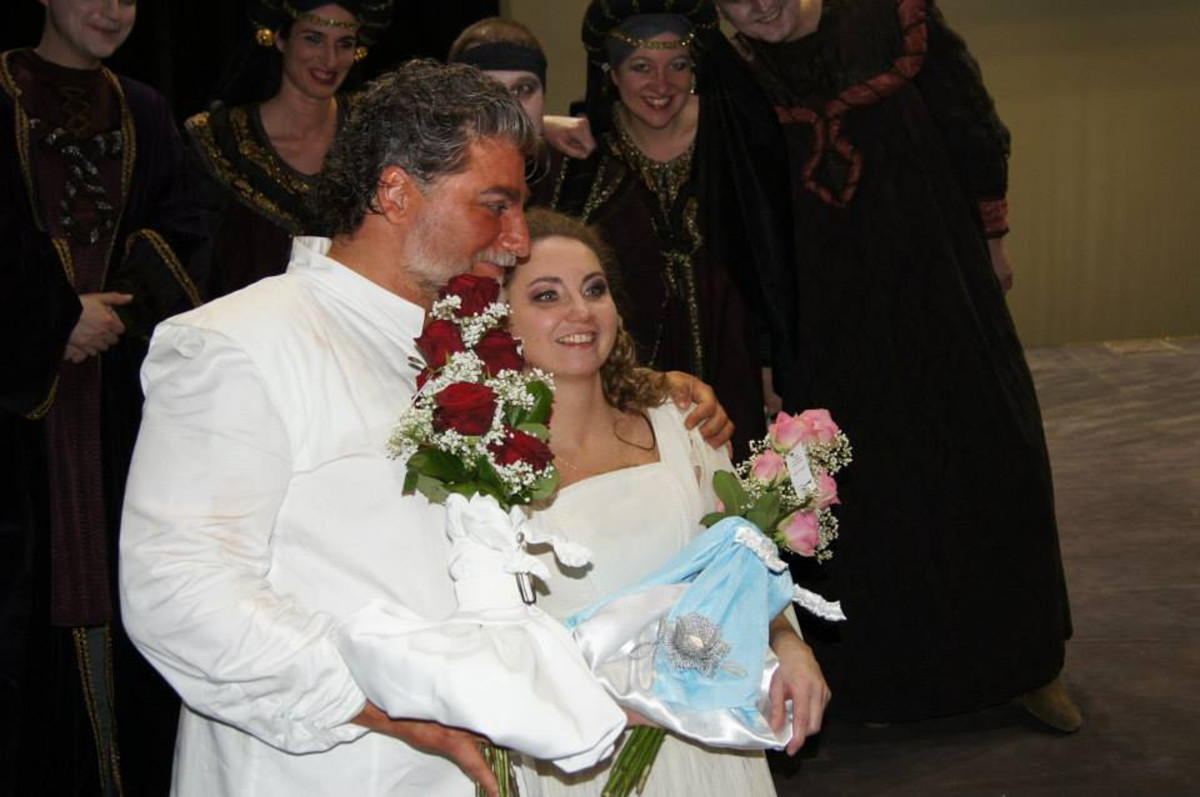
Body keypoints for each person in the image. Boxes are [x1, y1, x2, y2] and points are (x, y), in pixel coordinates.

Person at [119, 59, 731, 797]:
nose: (516, 240)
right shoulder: (242, 342)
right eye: (495, 206)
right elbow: (178, 592)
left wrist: (663, 390)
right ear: (396, 191)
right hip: (323, 771)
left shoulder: (475, 345)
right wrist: (389, 705)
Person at [711, 0, 1079, 730]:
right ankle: (863, 682)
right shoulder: (730, 68)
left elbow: (970, 123)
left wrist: (993, 237)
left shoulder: (892, 17)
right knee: (850, 485)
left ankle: (1027, 663)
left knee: (988, 456)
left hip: (937, 280)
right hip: (821, 309)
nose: (758, 5)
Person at [507, 208, 828, 796]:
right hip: (578, 760)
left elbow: (741, 571)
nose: (581, 312)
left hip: (708, 746)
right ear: (499, 319)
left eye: (594, 290)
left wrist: (789, 646)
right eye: (546, 296)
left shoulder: (682, 425)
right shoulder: (483, 464)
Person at [0, 0, 210, 794]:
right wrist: (54, 321)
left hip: (121, 401)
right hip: (17, 411)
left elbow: (187, 230)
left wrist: (112, 311)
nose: (111, 9)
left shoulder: (145, 112)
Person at [546, 1, 796, 459]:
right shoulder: (584, 157)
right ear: (612, 74)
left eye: (677, 65)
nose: (662, 85)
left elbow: (773, 256)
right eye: (641, 67)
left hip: (733, 359)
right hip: (629, 376)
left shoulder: (736, 138)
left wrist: (771, 362)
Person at [185, 0, 391, 297]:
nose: (330, 59)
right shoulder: (221, 141)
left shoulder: (375, 134)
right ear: (280, 39)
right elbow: (195, 260)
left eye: (344, 44)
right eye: (313, 39)